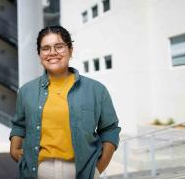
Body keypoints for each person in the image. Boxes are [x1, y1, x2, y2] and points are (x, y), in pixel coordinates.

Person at [9, 25, 121, 179]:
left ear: (70, 50)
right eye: (46, 48)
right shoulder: (26, 91)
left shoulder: (96, 90)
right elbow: (19, 125)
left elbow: (110, 130)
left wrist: (99, 168)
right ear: (39, 54)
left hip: (82, 171)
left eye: (59, 46)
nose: (53, 52)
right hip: (37, 172)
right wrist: (14, 149)